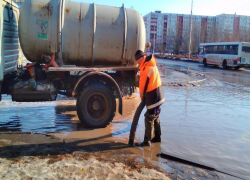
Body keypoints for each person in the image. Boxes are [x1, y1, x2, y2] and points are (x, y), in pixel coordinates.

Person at [135, 50, 165, 146]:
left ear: (140, 59)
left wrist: (142, 97)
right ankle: (157, 137)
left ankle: (147, 141)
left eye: (137, 61)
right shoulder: (150, 63)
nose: (137, 63)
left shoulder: (146, 68)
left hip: (153, 95)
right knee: (155, 116)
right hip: (159, 94)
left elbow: (142, 85)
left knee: (148, 117)